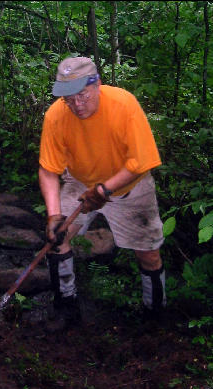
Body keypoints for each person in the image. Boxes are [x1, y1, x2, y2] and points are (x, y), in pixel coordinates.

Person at [39, 56, 166, 331]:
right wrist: (54, 216)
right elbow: (49, 170)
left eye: (82, 95)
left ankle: (155, 318)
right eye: (68, 99)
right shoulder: (56, 116)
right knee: (57, 237)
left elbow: (140, 162)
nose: (76, 105)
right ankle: (66, 308)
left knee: (149, 254)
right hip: (79, 180)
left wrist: (104, 189)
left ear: (97, 84)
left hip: (130, 186)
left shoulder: (123, 104)